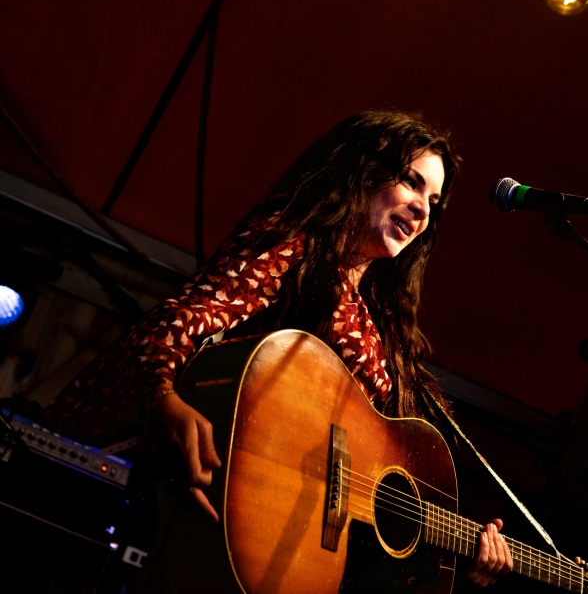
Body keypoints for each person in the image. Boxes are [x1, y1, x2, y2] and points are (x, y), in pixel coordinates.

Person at [45, 109, 512, 588]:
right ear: (360, 173)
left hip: (295, 549)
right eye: (411, 183)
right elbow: (178, 322)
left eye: (434, 201)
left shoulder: (384, 331)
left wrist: (458, 555)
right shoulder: (296, 253)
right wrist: (163, 397)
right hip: (228, 508)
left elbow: (369, 491)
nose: (422, 210)